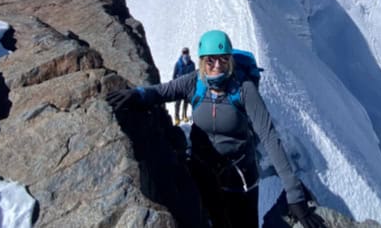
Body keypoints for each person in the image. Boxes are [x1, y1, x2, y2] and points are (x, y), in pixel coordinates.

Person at [106, 30, 327, 228]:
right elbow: (163, 92)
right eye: (211, 60)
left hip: (240, 181)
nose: (218, 65)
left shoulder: (244, 89)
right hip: (203, 175)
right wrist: (137, 94)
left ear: (230, 60)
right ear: (202, 61)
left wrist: (294, 194)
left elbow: (269, 136)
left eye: (223, 59)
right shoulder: (194, 82)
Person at [172, 46, 195, 124]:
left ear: (188, 53)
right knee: (177, 102)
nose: (185, 54)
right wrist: (174, 85)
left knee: (186, 101)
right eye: (184, 52)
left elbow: (193, 75)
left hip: (187, 86)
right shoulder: (178, 64)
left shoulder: (192, 64)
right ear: (182, 53)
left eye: (186, 52)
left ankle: (184, 115)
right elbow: (174, 75)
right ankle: (176, 117)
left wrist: (192, 85)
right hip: (179, 86)